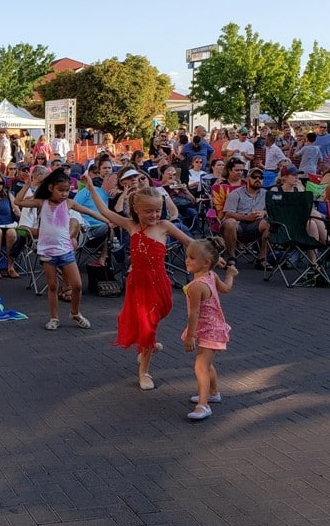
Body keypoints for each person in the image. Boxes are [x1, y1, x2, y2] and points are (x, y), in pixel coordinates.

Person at [81, 176, 193, 391]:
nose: (153, 215)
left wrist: (213, 256)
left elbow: (190, 242)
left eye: (157, 210)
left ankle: (147, 344)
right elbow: (106, 212)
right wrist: (90, 189)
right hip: (138, 284)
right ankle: (144, 370)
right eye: (148, 211)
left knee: (161, 313)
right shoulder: (131, 226)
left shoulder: (164, 226)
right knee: (147, 326)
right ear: (136, 209)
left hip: (159, 282)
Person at [14, 169, 106, 331]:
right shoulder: (41, 202)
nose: (64, 194)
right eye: (61, 190)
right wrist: (27, 185)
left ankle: (75, 313)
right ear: (51, 188)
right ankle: (54, 317)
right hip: (47, 251)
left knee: (77, 285)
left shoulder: (68, 203)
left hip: (66, 250)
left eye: (67, 190)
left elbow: (89, 211)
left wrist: (108, 221)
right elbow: (18, 202)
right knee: (52, 286)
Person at [182, 236, 237, 421]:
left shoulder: (197, 286)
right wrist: (230, 275)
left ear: (206, 263)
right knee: (206, 364)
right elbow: (226, 289)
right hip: (213, 328)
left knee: (200, 367)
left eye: (192, 257)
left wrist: (190, 336)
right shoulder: (211, 276)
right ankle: (213, 393)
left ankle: (203, 405)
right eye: (187, 256)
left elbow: (194, 314)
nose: (187, 260)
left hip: (209, 330)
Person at [221, 168, 270, 269]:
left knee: (270, 223)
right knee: (230, 222)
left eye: (260, 177)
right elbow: (228, 213)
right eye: (254, 177)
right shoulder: (236, 194)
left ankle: (262, 258)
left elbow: (272, 211)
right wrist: (246, 217)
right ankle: (232, 257)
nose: (258, 179)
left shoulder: (266, 194)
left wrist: (264, 212)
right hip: (238, 224)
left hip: (256, 224)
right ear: (247, 179)